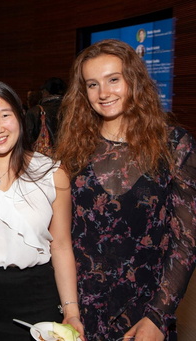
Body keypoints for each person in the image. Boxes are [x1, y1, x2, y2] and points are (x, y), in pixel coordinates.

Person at [55, 39, 196, 340]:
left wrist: (158, 317)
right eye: (92, 85)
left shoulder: (174, 145)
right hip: (81, 311)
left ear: (133, 79)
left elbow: (185, 240)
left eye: (113, 80)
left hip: (146, 310)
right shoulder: (73, 148)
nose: (103, 93)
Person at [0, 80, 84, 340]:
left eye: (5, 115)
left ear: (20, 118)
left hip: (36, 297)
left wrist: (72, 311)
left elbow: (61, 246)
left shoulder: (51, 174)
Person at [25, 77, 67, 146]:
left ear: (45, 92)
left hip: (44, 154)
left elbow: (28, 140)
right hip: (70, 154)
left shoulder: (35, 112)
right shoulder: (74, 109)